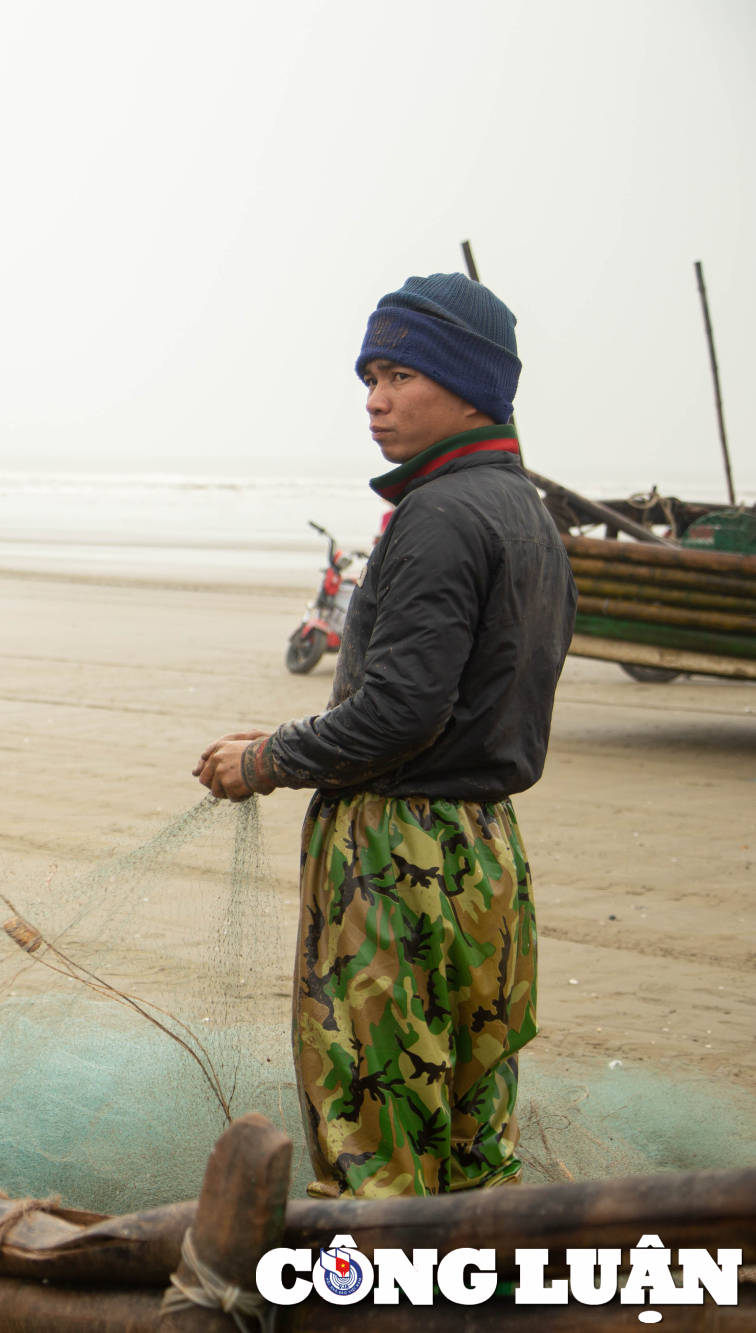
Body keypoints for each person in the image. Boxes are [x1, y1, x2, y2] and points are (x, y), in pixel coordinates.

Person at [194, 273, 574, 1199]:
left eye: (399, 374)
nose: (374, 400)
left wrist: (267, 759)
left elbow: (403, 713)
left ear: (469, 385)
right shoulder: (529, 513)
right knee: (475, 1133)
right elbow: (446, 696)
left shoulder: (437, 514)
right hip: (486, 858)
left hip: (396, 859)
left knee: (375, 1140)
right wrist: (307, 729)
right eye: (369, 376)